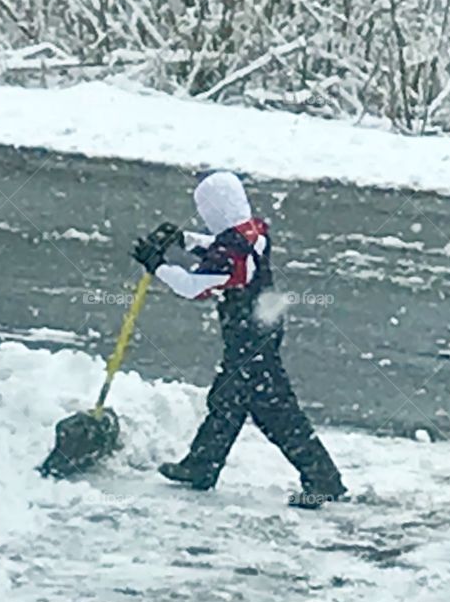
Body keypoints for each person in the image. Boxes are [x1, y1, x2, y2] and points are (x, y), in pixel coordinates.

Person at [133, 171, 347, 509]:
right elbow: (219, 249)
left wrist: (158, 265)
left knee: (274, 412)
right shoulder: (253, 233)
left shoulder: (233, 251)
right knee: (230, 403)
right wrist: (185, 240)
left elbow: (196, 285)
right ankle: (202, 465)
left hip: (250, 340)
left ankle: (323, 480)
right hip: (260, 333)